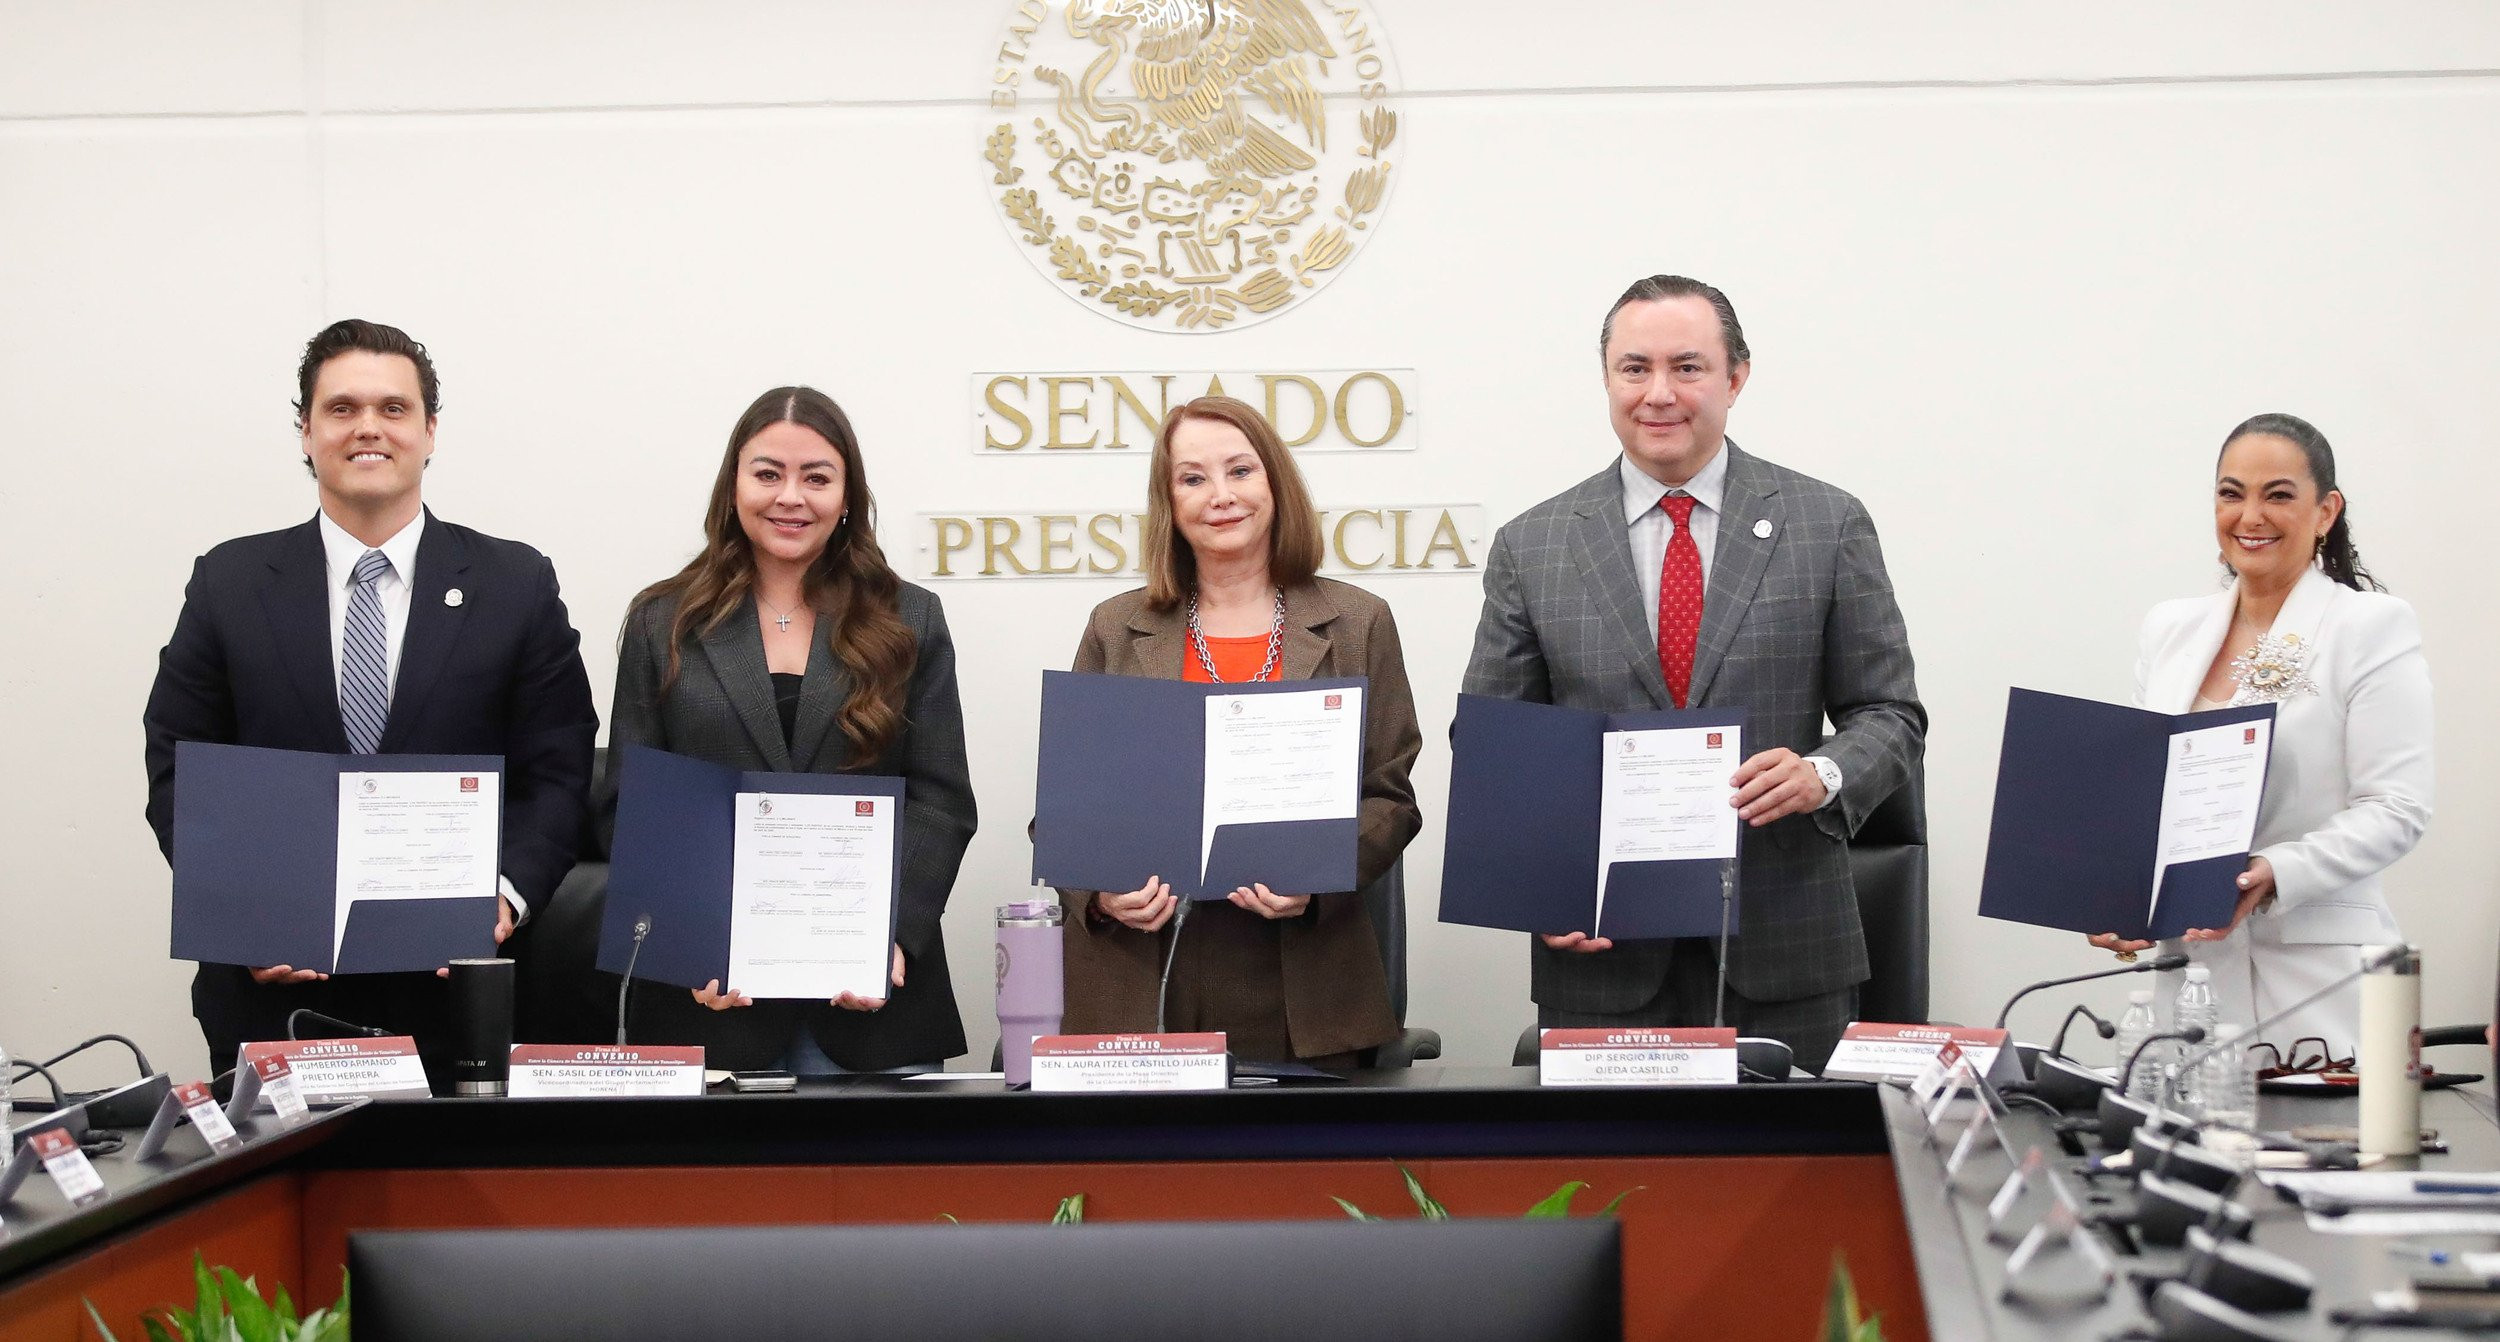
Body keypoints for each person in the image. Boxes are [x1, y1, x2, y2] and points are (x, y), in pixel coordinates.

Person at [1460, 275, 1925, 1074]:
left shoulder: (1827, 523)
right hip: (1601, 956)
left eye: (1688, 367)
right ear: (1606, 377)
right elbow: (1493, 742)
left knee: (1799, 1189)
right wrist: (1541, 887)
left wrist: (1821, 772)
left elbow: (1890, 713)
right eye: (1634, 368)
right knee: (1613, 1187)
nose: (1659, 393)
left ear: (1736, 377)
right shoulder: (1531, 544)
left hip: (1784, 948)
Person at [144, 319, 598, 1085]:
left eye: (393, 409)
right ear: (305, 431)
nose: (368, 428)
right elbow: (179, 771)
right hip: (274, 1001)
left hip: (455, 1005)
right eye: (342, 408)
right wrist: (245, 915)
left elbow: (558, 770)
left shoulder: (514, 585)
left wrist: (504, 897)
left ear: (429, 431)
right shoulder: (229, 582)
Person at [603, 386, 975, 1073]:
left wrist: (889, 939)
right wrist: (687, 944)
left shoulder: (909, 619)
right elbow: (632, 802)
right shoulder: (663, 622)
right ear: (733, 484)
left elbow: (942, 798)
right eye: (768, 473)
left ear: (847, 495)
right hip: (710, 1002)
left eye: (816, 477)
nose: (790, 497)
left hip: (872, 1006)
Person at [1054, 396, 1422, 1067]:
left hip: (1301, 983)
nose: (1220, 496)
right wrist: (1101, 895)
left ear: (1275, 483)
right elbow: (1067, 812)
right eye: (1192, 478)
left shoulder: (1358, 621)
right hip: (1146, 972)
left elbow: (1390, 799)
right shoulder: (1115, 626)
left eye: (1240, 471)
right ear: (1169, 503)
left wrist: (1316, 875)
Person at [2090, 414, 2431, 1056]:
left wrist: (2276, 870)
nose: (2250, 515)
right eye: (2230, 493)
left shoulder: (2369, 627)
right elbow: (2147, 798)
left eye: (2278, 494)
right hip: (2189, 980)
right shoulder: (2170, 630)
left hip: (2316, 981)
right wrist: (2116, 891)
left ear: (2326, 511)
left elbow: (2398, 808)